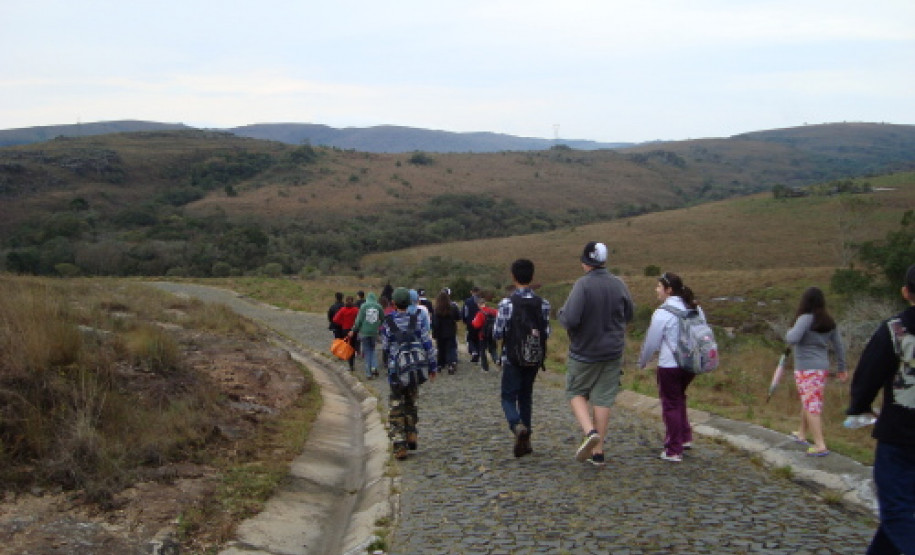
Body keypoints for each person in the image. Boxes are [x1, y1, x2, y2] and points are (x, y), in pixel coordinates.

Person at [846, 263, 915, 554]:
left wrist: (859, 408)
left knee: (898, 509)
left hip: (900, 434)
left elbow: (868, 374)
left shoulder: (894, 329)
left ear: (905, 292)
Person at [558, 241, 634, 466]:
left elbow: (570, 319)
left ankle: (589, 431)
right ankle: (598, 453)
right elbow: (629, 313)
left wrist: (562, 314)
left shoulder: (582, 286)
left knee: (575, 391)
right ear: (603, 261)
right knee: (603, 399)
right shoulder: (619, 284)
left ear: (585, 262)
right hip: (612, 353)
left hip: (584, 352)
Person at [637, 271, 704, 462]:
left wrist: (643, 361)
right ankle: (685, 436)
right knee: (679, 398)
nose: (656, 290)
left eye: (659, 286)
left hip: (670, 365)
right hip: (691, 364)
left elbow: (652, 342)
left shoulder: (662, 313)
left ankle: (673, 449)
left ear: (669, 290)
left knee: (670, 404)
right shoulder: (695, 308)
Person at [493, 259, 551, 458]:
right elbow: (547, 331)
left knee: (508, 396)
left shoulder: (507, 303)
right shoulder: (543, 303)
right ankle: (527, 441)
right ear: (532, 276)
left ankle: (516, 425)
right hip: (534, 356)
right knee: (526, 396)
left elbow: (497, 333)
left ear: (513, 277)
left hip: (512, 357)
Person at [785, 286, 847, 457]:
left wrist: (790, 330)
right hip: (821, 368)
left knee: (811, 405)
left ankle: (820, 444)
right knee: (809, 400)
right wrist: (842, 368)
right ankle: (802, 433)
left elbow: (792, 338)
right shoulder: (829, 321)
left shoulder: (805, 319)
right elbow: (839, 346)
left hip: (806, 368)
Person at [382, 287, 438, 460]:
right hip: (414, 368)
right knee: (411, 402)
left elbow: (385, 346)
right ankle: (412, 433)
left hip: (396, 370)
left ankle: (400, 445)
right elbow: (427, 343)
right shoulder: (417, 319)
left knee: (396, 406)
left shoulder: (388, 322)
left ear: (394, 303)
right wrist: (432, 367)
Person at [349, 292, 384, 379]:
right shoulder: (378, 307)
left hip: (364, 332)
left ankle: (368, 373)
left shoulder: (363, 306)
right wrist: (378, 325)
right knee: (373, 350)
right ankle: (374, 367)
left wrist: (353, 330)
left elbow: (359, 321)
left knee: (367, 351)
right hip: (374, 333)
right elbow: (383, 318)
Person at [432, 289, 461, 374]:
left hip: (440, 332)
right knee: (451, 348)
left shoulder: (436, 309)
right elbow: (458, 317)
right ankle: (451, 364)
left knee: (441, 349)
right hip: (450, 331)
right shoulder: (453, 307)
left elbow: (435, 323)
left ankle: (440, 365)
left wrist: (434, 332)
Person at [472, 297, 500, 372]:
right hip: (492, 333)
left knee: (482, 351)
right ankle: (497, 360)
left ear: (478, 304)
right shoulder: (494, 311)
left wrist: (473, 321)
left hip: (483, 335)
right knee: (493, 349)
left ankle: (485, 368)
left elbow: (476, 325)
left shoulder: (480, 313)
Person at [332, 296, 360, 371]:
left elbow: (335, 319)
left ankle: (350, 364)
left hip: (345, 330)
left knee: (348, 347)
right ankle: (353, 361)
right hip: (354, 330)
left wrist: (342, 323)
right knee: (353, 346)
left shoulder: (343, 310)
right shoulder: (356, 310)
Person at [463, 286, 482, 362]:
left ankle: (474, 352)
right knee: (478, 338)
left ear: (471, 291)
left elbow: (465, 312)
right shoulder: (481, 300)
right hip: (480, 322)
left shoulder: (468, 301)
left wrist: (465, 320)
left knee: (470, 339)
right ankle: (478, 354)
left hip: (470, 322)